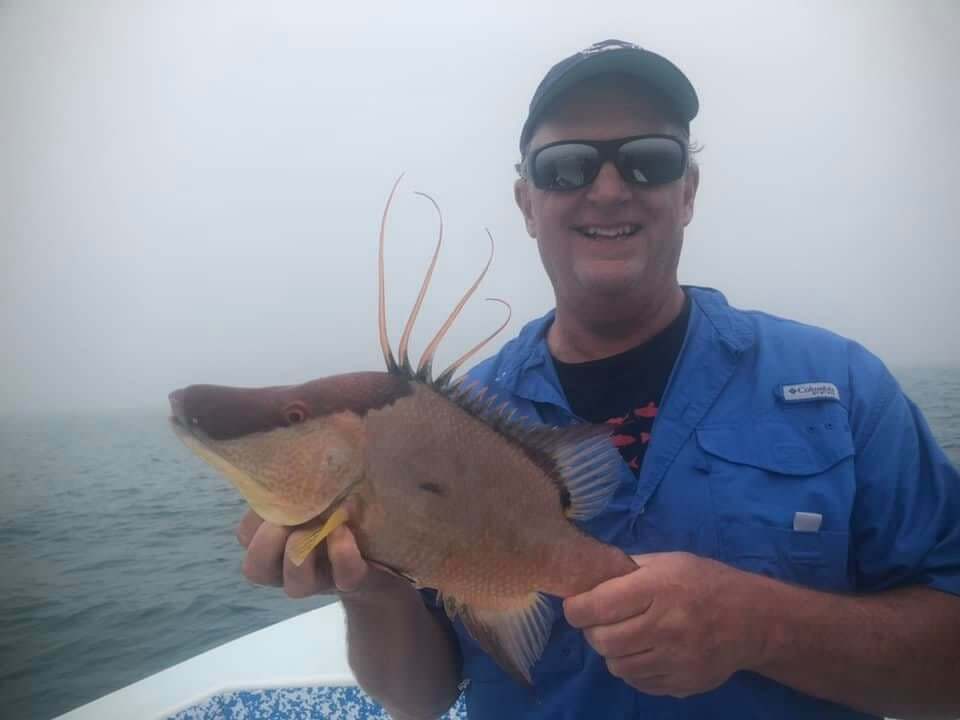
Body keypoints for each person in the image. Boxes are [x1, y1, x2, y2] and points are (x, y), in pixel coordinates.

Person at [235, 40, 960, 719]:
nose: (608, 189)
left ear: (689, 192)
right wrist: (372, 592)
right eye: (566, 166)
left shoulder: (840, 387)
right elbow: (418, 697)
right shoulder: (445, 427)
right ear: (527, 203)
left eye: (648, 159)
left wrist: (759, 626)